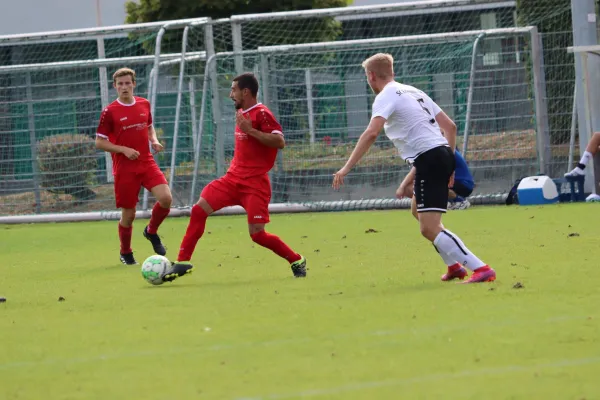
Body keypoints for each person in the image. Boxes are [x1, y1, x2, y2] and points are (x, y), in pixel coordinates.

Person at [332, 53, 495, 283]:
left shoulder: (385, 96)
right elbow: (450, 126)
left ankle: (481, 268)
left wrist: (346, 168)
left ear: (370, 76)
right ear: (392, 72)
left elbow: (371, 133)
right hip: (441, 155)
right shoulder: (414, 91)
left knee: (429, 228)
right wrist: (449, 164)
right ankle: (454, 266)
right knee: (417, 211)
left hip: (429, 158)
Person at [162, 73, 306, 282]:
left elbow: (279, 141)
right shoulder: (241, 112)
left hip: (255, 184)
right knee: (198, 210)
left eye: (233, 90)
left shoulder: (262, 113)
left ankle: (296, 259)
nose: (230, 94)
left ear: (245, 92)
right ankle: (182, 262)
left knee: (257, 235)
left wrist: (251, 131)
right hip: (231, 180)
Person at [96, 68, 172, 265]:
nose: (124, 87)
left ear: (133, 84)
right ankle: (126, 252)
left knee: (165, 198)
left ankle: (151, 231)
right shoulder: (110, 112)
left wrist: (154, 140)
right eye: (120, 84)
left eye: (127, 83)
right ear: (115, 87)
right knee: (129, 215)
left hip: (146, 162)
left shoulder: (144, 104)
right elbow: (99, 142)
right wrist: (123, 149)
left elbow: (148, 126)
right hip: (125, 168)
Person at [398, 149, 474, 211]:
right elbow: (414, 172)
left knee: (427, 183)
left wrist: (402, 187)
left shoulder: (434, 150)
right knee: (408, 188)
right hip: (448, 181)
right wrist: (402, 187)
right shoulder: (424, 152)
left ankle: (460, 201)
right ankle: (442, 203)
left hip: (463, 183)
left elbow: (416, 173)